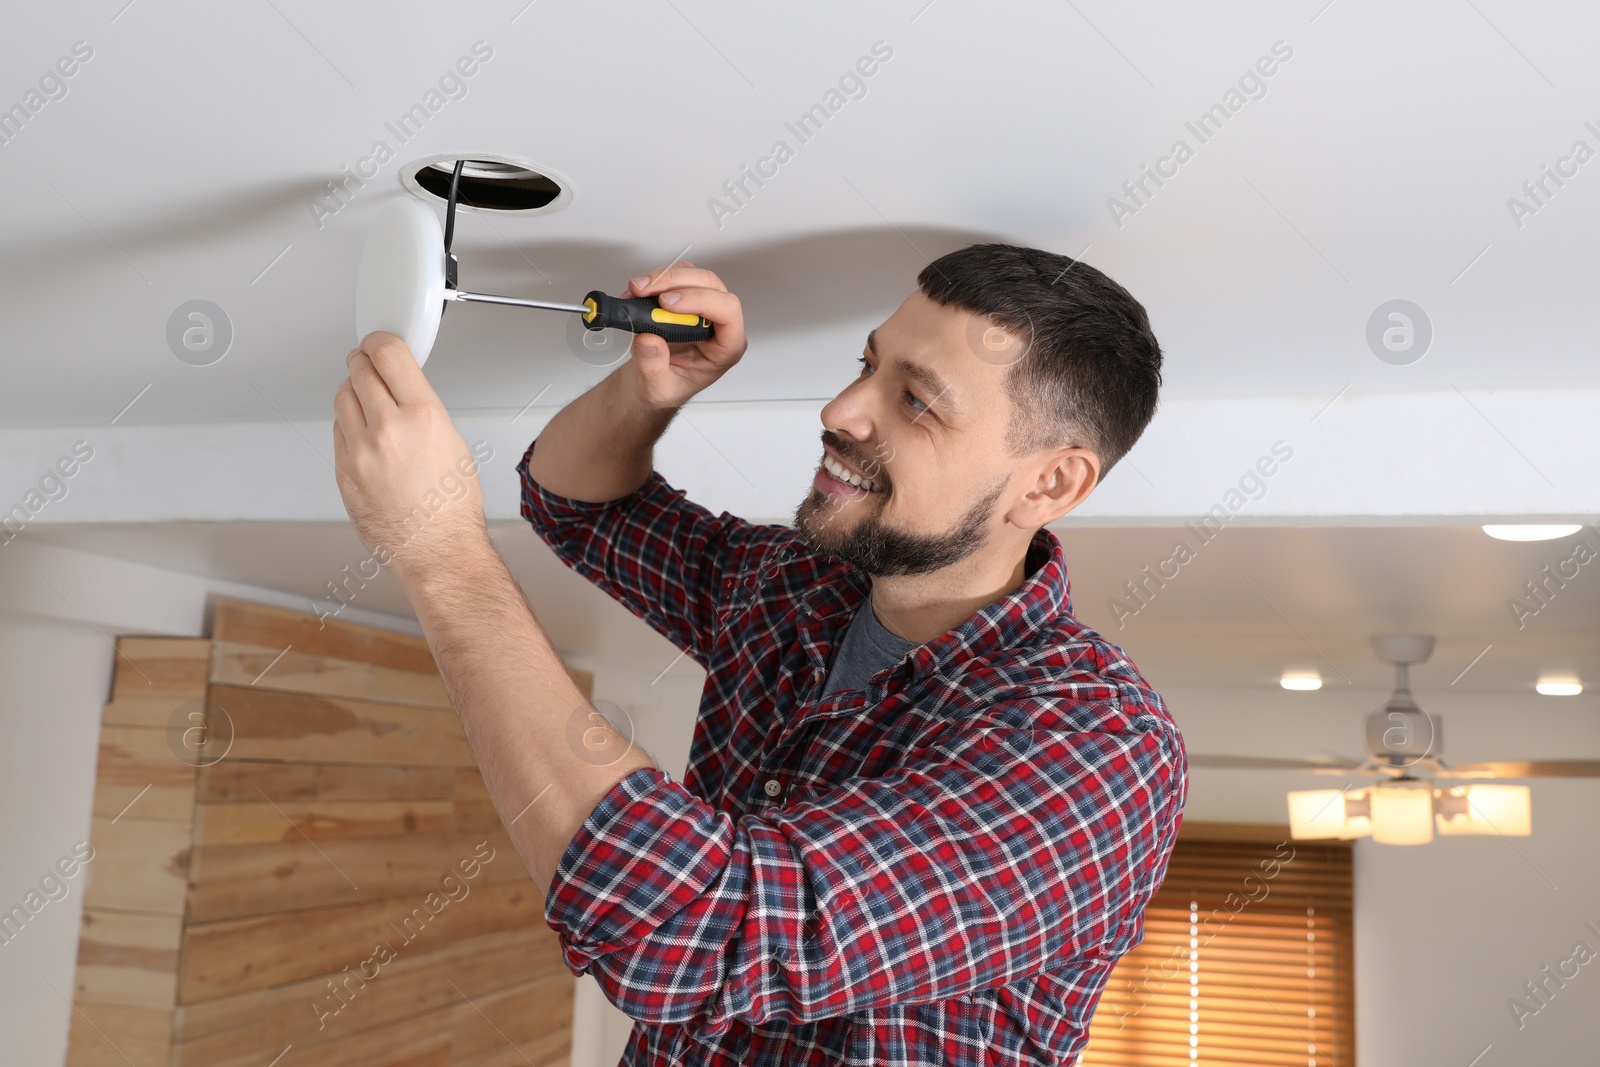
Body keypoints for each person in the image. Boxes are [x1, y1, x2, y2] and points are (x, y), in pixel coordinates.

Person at [333, 242, 1188, 1066]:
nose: (841, 412)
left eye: (917, 402)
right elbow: (576, 505)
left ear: (1051, 483)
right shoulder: (800, 586)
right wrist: (650, 392)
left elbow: (699, 932)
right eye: (867, 366)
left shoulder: (1098, 745)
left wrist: (441, 559)